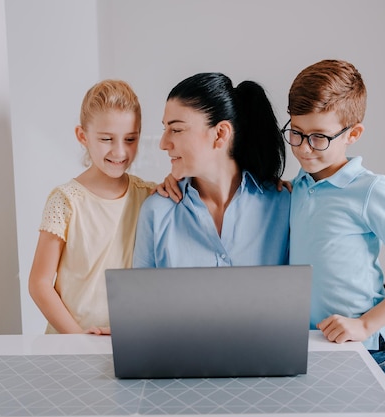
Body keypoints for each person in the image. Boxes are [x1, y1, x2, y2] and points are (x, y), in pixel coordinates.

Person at [285, 59, 385, 397]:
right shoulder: (297, 185)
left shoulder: (370, 190)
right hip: (317, 343)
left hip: (369, 347)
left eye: (319, 138)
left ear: (353, 134)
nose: (303, 147)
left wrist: (365, 325)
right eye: (296, 133)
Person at [28, 79, 156, 335]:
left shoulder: (148, 196)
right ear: (82, 136)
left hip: (124, 338)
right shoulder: (65, 200)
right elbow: (39, 283)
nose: (120, 151)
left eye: (130, 139)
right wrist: (78, 340)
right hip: (69, 345)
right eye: (107, 139)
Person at [133, 72, 290, 268]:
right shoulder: (157, 212)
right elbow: (142, 297)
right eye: (165, 129)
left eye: (176, 129)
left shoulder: (283, 205)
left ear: (220, 134)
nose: (163, 144)